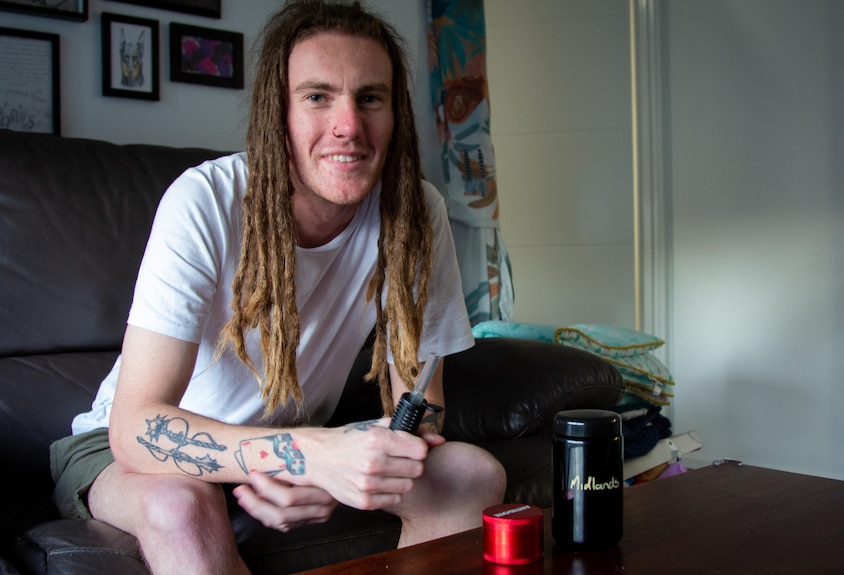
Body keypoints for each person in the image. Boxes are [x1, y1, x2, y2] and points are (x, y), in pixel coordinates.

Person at [48, 1, 507, 573]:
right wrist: (303, 457)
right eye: (318, 96)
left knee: (471, 474)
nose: (349, 126)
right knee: (179, 504)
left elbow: (424, 408)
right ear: (279, 112)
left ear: (395, 114)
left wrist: (333, 461)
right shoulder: (205, 201)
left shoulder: (416, 213)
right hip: (134, 454)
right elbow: (137, 427)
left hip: (295, 436)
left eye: (370, 97)